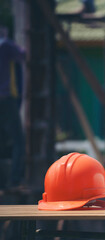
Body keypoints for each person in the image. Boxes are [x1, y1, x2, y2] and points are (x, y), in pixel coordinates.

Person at [0, 25, 26, 188]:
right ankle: (15, 179)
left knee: (3, 140)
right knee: (18, 140)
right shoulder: (6, 45)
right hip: (6, 98)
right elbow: (23, 54)